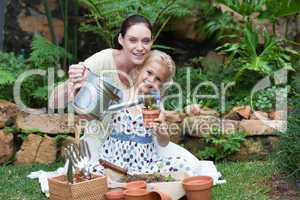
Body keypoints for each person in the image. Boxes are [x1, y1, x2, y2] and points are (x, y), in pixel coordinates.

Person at [49, 14, 153, 109]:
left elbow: (152, 108)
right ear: (121, 39)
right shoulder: (104, 60)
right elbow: (54, 103)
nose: (140, 47)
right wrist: (76, 81)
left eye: (145, 41)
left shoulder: (153, 67)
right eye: (133, 40)